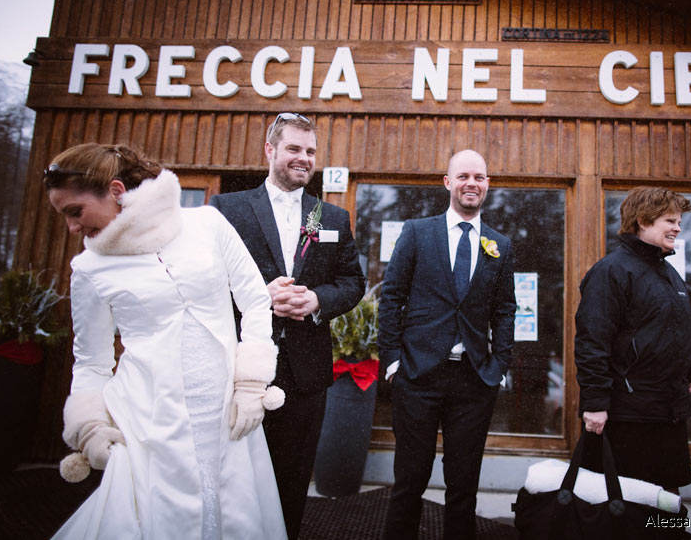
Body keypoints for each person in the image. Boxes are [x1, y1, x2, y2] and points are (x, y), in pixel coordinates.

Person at [44, 143, 286, 539]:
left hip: (227, 412)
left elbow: (255, 299)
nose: (72, 227)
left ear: (116, 191)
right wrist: (89, 427)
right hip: (148, 422)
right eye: (64, 217)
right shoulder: (88, 268)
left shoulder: (206, 223)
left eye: (76, 211)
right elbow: (90, 361)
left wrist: (250, 382)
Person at [210, 112, 365, 539]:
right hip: (239, 369)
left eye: (311, 151)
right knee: (232, 476)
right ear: (270, 150)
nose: (304, 158)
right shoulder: (227, 209)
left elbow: (353, 282)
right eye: (294, 148)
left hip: (305, 372)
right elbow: (204, 281)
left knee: (291, 480)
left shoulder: (329, 217)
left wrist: (317, 300)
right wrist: (260, 296)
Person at [379, 149, 516, 540]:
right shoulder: (417, 233)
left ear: (487, 184)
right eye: (464, 176)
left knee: (463, 487)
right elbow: (391, 298)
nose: (472, 183)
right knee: (409, 481)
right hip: (418, 376)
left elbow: (506, 309)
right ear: (448, 182)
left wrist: (500, 365)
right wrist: (392, 362)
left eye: (480, 177)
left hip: (474, 380)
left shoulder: (499, 245)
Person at [574, 186, 691, 537]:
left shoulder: (668, 273)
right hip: (629, 416)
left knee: (665, 505)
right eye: (669, 221)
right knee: (627, 512)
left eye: (678, 221)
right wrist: (594, 404)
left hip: (668, 412)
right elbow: (592, 341)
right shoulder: (611, 271)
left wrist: (688, 372)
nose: (677, 228)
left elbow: (676, 330)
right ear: (642, 221)